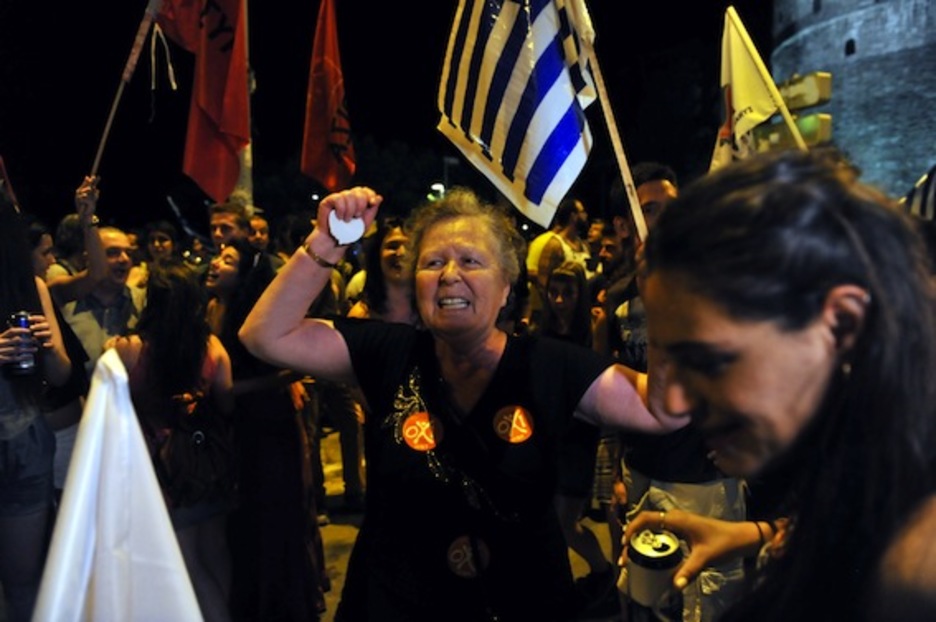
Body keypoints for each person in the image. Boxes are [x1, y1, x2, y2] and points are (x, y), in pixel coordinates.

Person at [239, 186, 687, 621]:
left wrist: (663, 302)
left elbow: (662, 410)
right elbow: (264, 336)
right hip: (395, 603)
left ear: (507, 287)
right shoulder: (387, 352)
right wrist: (328, 241)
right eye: (433, 262)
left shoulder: (550, 364)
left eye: (470, 260)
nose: (450, 274)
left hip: (523, 601)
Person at [624, 148, 936, 621]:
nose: (669, 399)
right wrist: (755, 536)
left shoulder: (915, 567)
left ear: (841, 324)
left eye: (708, 360)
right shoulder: (868, 447)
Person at [205, 238, 328, 620]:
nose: (214, 263)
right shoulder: (209, 307)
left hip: (267, 426)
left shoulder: (255, 319)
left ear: (244, 275)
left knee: (273, 521)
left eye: (227, 259)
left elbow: (295, 370)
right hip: (231, 429)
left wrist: (228, 389)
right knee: (242, 525)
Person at [105, 263, 235, 622]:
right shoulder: (212, 347)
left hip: (162, 470)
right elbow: (226, 404)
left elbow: (105, 401)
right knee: (217, 556)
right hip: (206, 462)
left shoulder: (128, 350)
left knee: (190, 565)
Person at [0, 188, 71, 622]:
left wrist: (47, 346)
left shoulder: (31, 287)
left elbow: (61, 375)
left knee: (26, 583)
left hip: (25, 443)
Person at [535, 261, 617, 613]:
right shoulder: (544, 330)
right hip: (550, 434)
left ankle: (602, 575)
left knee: (565, 521)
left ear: (580, 294)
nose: (559, 300)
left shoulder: (592, 329)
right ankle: (585, 580)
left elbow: (599, 379)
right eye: (554, 292)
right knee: (554, 520)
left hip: (580, 435)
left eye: (567, 293)